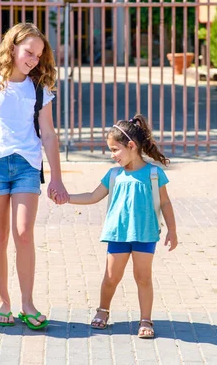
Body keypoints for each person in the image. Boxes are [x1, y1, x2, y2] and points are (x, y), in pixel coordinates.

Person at [0, 22, 68, 330]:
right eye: (29, 52)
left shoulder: (40, 90)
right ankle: (3, 302)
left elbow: (49, 135)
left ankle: (27, 303)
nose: (34, 59)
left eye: (39, 55)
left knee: (24, 233)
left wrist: (56, 177)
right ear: (12, 47)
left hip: (26, 165)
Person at [66, 114, 177, 338]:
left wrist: (172, 231)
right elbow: (92, 196)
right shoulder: (114, 174)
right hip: (117, 235)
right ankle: (102, 310)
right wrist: (66, 197)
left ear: (131, 146)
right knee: (111, 277)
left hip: (145, 235)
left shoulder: (154, 174)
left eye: (115, 149)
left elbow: (165, 202)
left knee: (143, 277)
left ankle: (145, 319)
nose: (112, 155)